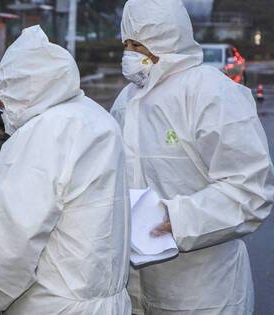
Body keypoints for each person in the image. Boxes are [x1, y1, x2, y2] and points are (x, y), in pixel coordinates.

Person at [0, 25, 131, 314]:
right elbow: (42, 199)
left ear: (25, 91)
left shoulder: (43, 132)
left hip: (52, 306)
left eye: (3, 95)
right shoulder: (93, 117)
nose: (1, 104)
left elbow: (13, 242)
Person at [111, 0, 274, 314]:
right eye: (126, 44)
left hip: (203, 292)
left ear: (167, 40)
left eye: (139, 45)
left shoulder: (212, 93)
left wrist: (178, 219)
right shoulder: (127, 99)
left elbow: (250, 192)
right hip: (133, 288)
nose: (130, 54)